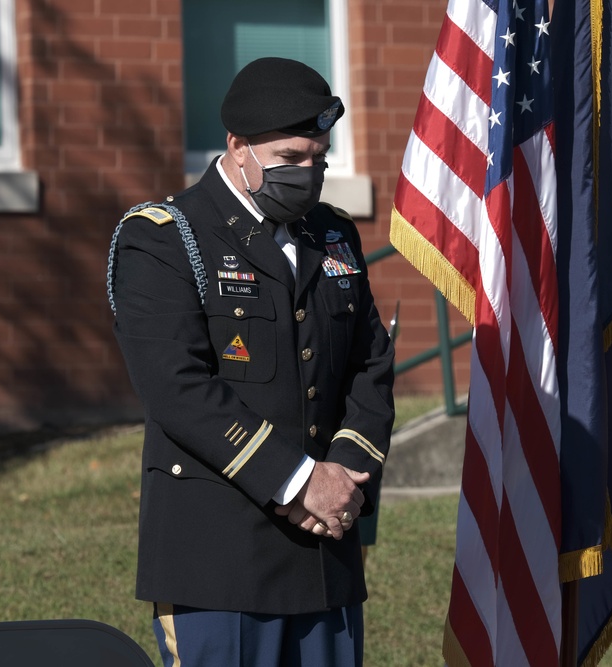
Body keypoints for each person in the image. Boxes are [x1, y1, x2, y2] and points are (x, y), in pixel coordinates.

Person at [106, 57, 395, 666]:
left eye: (319, 157)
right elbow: (176, 389)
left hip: (325, 551)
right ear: (238, 147)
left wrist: (342, 477)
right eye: (292, 158)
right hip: (220, 561)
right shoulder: (165, 236)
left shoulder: (334, 236)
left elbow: (370, 364)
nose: (309, 172)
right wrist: (298, 481)